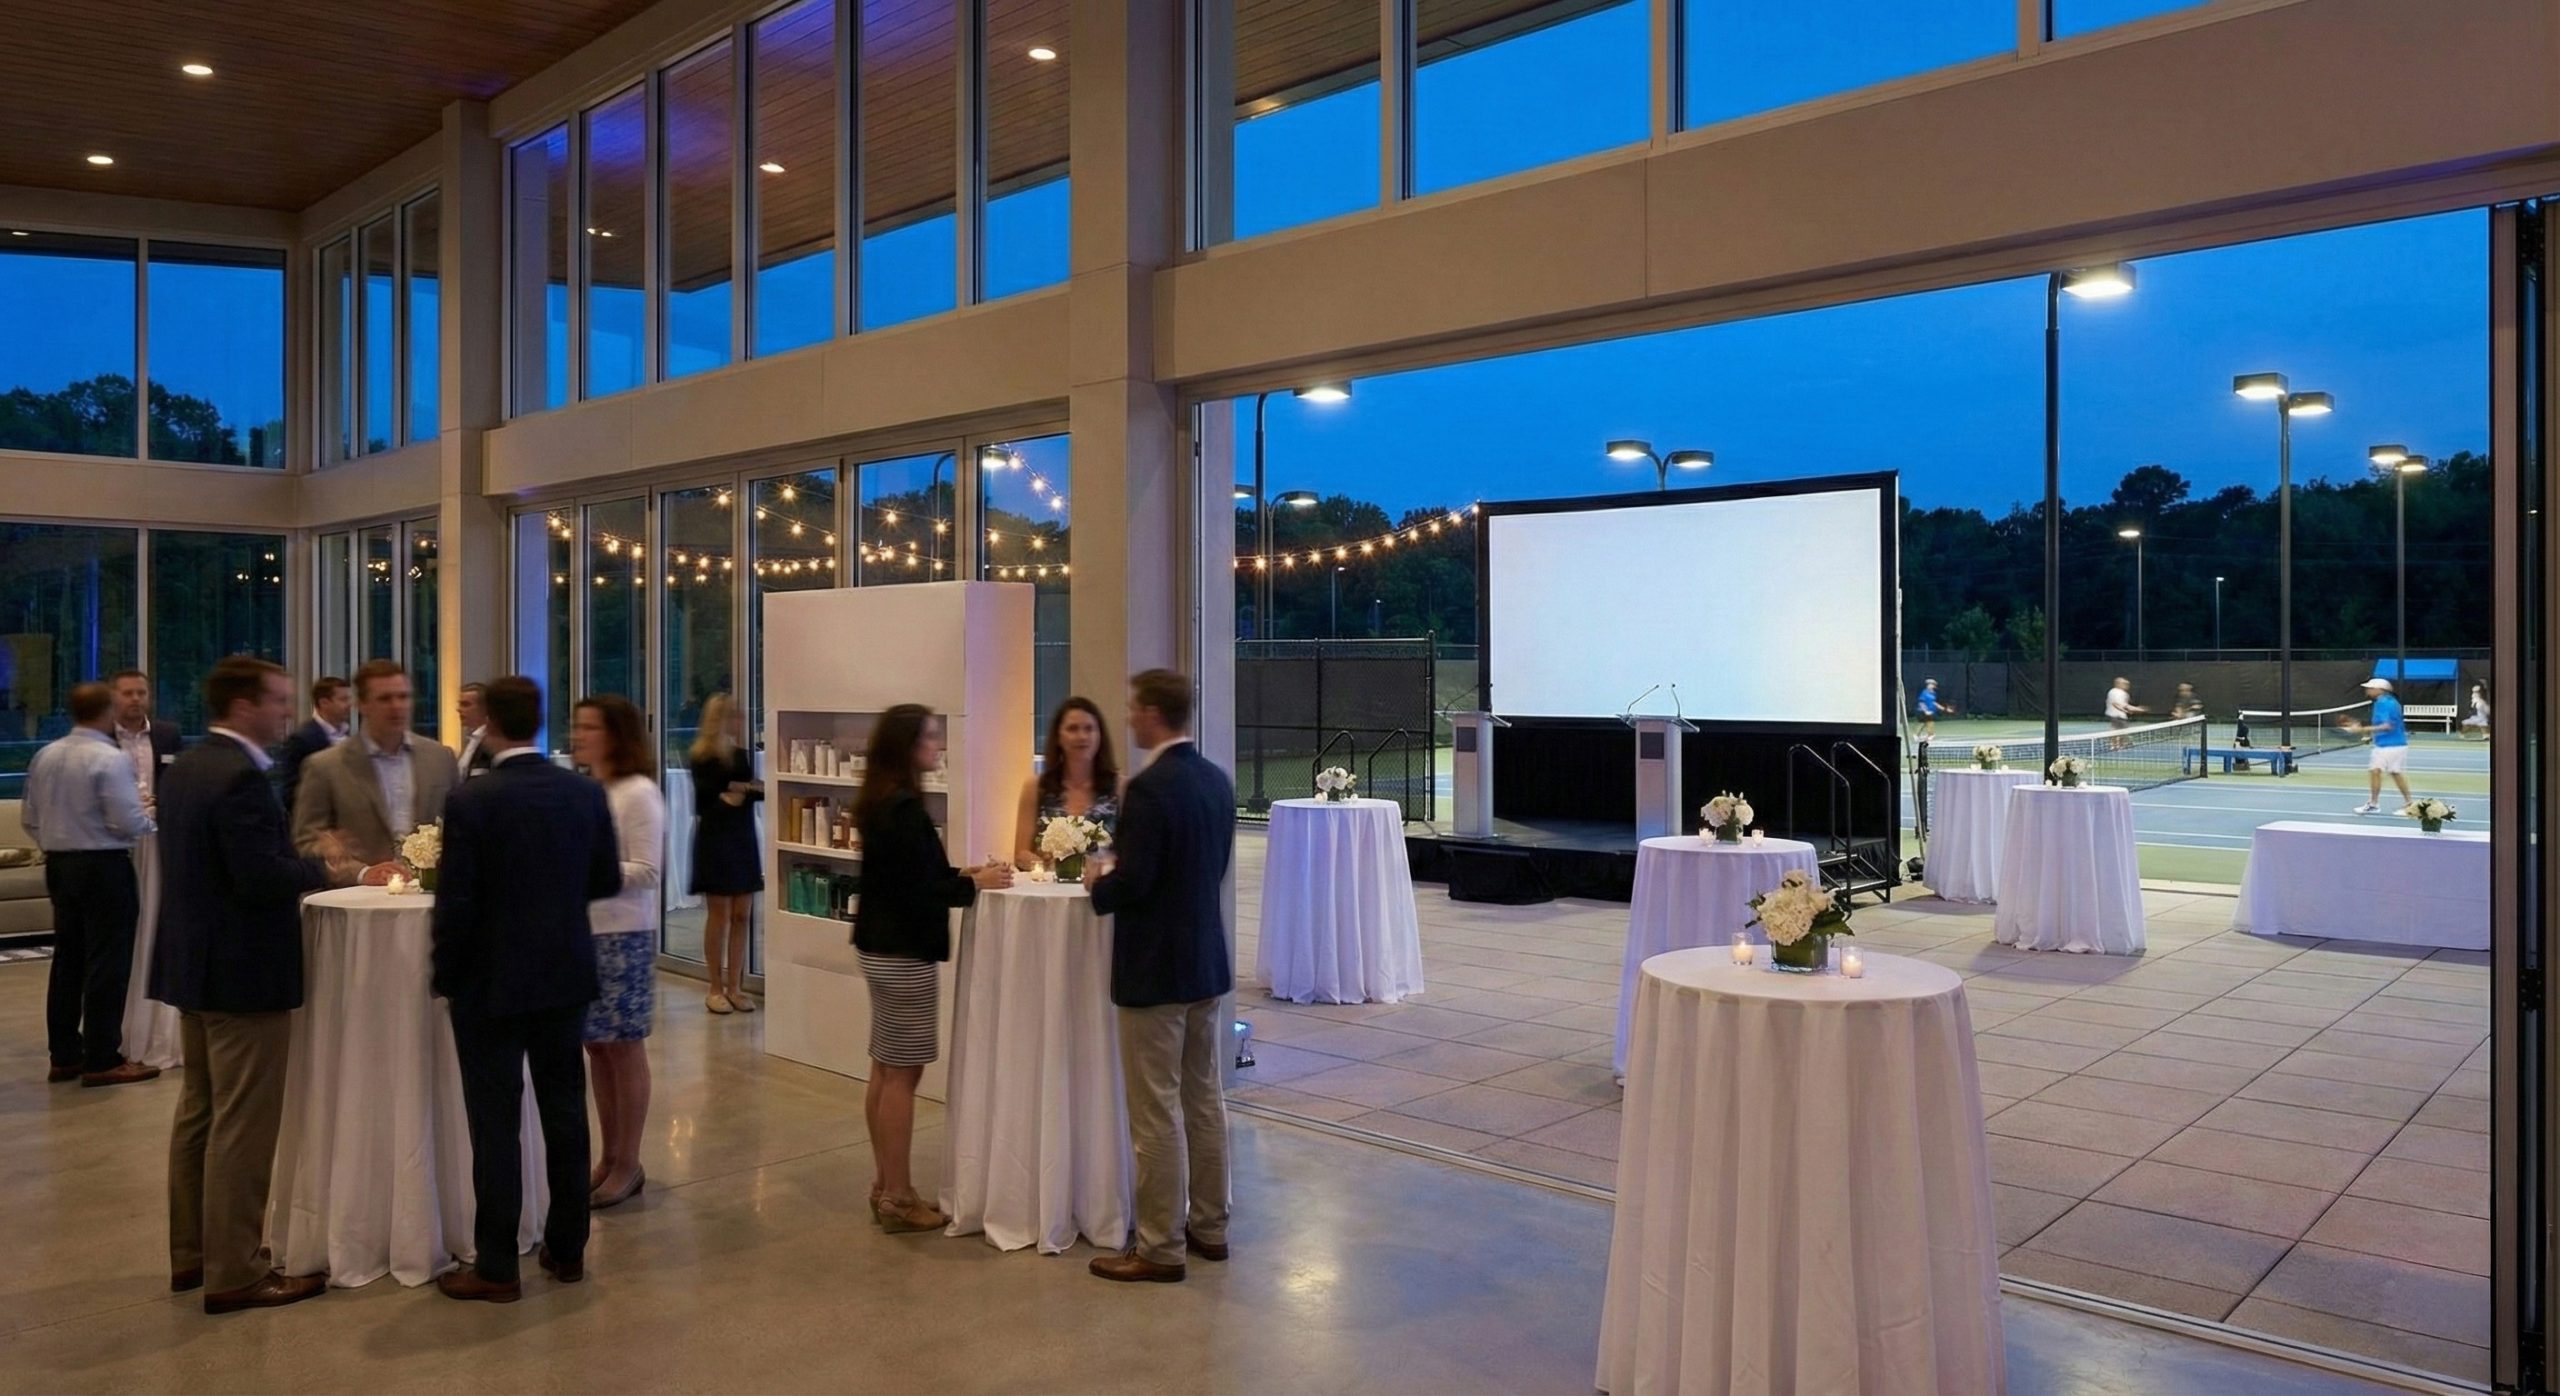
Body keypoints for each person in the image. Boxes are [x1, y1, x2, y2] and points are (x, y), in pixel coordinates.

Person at [151, 655, 379, 1315]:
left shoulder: (189, 766)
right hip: (242, 975)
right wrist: (327, 866)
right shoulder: (240, 777)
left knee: (199, 1114)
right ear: (244, 705)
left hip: (194, 967)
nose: (286, 711)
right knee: (243, 1127)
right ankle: (237, 1272)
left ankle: (193, 1254)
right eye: (278, 700)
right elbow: (259, 879)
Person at [429, 676, 623, 1302]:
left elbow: (456, 903)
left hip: (490, 981)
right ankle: (568, 1250)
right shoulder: (583, 793)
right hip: (564, 972)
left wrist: (446, 976)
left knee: (496, 1123)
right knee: (565, 1112)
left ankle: (496, 1265)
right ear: (539, 721)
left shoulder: (472, 800)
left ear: (488, 724)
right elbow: (606, 880)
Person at [1085, 669, 1238, 1284]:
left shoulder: (1149, 790)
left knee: (1155, 1112)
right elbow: (1213, 868)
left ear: (1153, 713)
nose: (1127, 718)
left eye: (1133, 708)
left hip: (1155, 970)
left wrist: (1099, 884)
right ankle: (1211, 1228)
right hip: (1205, 963)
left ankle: (1159, 1247)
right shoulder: (1216, 780)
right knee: (1204, 1101)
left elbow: (1136, 882)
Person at [851, 704, 1012, 1234]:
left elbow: (909, 873)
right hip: (903, 952)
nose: (936, 747)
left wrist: (964, 873)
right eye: (928, 738)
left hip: (878, 946)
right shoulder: (904, 809)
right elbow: (918, 890)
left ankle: (885, 1184)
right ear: (907, 746)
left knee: (884, 1067)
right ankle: (898, 1195)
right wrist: (972, 885)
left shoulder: (881, 802)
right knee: (903, 1074)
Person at [24, 681, 158, 1088]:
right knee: (108, 962)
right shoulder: (109, 758)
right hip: (103, 867)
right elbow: (127, 821)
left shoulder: (45, 755)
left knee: (68, 960)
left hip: (60, 865)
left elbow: (30, 819)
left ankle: (64, 1055)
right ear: (108, 712)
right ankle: (102, 1058)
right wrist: (149, 818)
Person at [572, 694, 664, 1211]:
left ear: (616, 735)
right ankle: (609, 1156)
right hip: (587, 930)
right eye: (578, 726)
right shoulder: (594, 789)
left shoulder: (638, 793)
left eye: (590, 728)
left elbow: (647, 870)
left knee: (624, 1048)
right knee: (598, 1048)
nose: (579, 736)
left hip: (624, 934)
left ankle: (629, 1161)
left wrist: (581, 867)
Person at [291, 659, 460, 867]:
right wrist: (354, 868)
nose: (396, 706)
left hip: (429, 885)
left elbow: (459, 829)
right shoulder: (325, 767)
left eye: (403, 697)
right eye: (385, 699)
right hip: (360, 884)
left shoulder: (440, 758)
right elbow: (306, 842)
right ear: (362, 705)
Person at [685, 693, 763, 1014]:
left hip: (742, 837)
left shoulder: (741, 756)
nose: (741, 721)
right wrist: (738, 790)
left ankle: (736, 986)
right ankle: (715, 986)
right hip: (715, 839)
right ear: (720, 719)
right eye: (735, 716)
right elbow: (705, 800)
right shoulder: (701, 756)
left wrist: (737, 790)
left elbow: (754, 792)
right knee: (719, 915)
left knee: (742, 914)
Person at [1014, 696, 1121, 870]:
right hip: (1050, 884)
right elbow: (1021, 854)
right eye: (1072, 729)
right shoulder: (1036, 787)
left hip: (1104, 884)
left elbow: (1132, 855)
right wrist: (1045, 865)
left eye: (1089, 729)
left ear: (1100, 735)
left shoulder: (1120, 787)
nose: (1082, 736)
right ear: (1058, 737)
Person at [107, 669, 183, 813]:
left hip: (160, 820)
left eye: (141, 693)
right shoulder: (102, 738)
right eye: (128, 693)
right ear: (112, 698)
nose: (136, 699)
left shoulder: (168, 734)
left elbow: (179, 781)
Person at [275, 676, 351, 815]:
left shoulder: (348, 737)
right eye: (343, 699)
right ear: (324, 703)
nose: (349, 705)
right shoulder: (301, 740)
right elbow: (290, 792)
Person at [2349, 676, 2415, 815]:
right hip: (2392, 744)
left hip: (2390, 745)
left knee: (2381, 772)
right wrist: (2370, 735)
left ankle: (2378, 804)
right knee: (2386, 772)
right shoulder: (2388, 702)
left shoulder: (2385, 703)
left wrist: (2362, 729)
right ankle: (2404, 803)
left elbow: (2387, 726)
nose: (2367, 690)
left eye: (2370, 688)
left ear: (2380, 689)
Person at [455, 682, 493, 777]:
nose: (458, 709)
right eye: (460, 704)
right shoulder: (471, 739)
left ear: (485, 708)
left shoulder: (493, 741)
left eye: (465, 704)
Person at [2104, 676, 2143, 750]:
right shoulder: (2117, 692)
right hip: (2116, 715)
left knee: (2119, 729)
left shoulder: (2123, 693)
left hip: (2118, 715)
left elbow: (2124, 705)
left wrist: (2130, 710)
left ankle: (2119, 744)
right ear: (2119, 684)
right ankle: (2116, 745)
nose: (2127, 686)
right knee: (2118, 729)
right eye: (2125, 684)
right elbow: (2116, 704)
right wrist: (2134, 709)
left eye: (2127, 684)